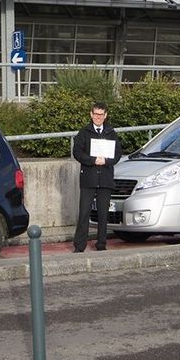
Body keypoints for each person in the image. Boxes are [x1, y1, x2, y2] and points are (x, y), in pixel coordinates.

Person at [72, 101, 122, 252]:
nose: (98, 117)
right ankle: (80, 246)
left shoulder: (111, 133)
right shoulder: (84, 132)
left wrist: (106, 161)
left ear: (105, 115)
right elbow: (77, 152)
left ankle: (101, 244)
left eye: (101, 115)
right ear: (91, 114)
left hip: (105, 178)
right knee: (84, 213)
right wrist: (92, 160)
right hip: (88, 178)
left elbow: (117, 154)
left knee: (103, 213)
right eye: (96, 114)